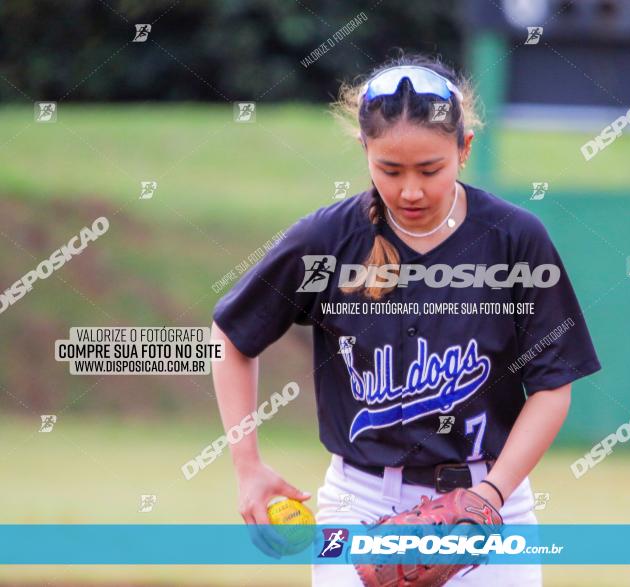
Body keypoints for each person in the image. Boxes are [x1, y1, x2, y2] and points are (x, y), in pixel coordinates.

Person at [210, 53, 602, 585]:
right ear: (364, 149)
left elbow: (553, 387)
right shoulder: (327, 241)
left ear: (464, 149)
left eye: (430, 169)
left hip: (493, 504)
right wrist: (246, 467)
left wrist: (487, 499)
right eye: (390, 170)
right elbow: (233, 338)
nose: (410, 190)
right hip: (361, 504)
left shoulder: (514, 239)